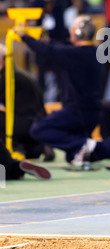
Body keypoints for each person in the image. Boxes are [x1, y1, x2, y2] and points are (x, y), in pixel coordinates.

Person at [14, 15, 104, 165]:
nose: (70, 30)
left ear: (79, 33)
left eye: (73, 28)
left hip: (77, 113)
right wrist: (45, 40)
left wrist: (25, 37)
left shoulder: (77, 55)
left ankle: (86, 145)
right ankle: (83, 147)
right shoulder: (90, 53)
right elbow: (58, 50)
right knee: (72, 156)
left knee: (39, 130)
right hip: (89, 113)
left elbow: (51, 51)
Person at [0, 43, 50, 160]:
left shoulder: (9, 77)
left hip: (28, 123)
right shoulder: (16, 73)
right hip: (36, 122)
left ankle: (12, 150)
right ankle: (31, 148)